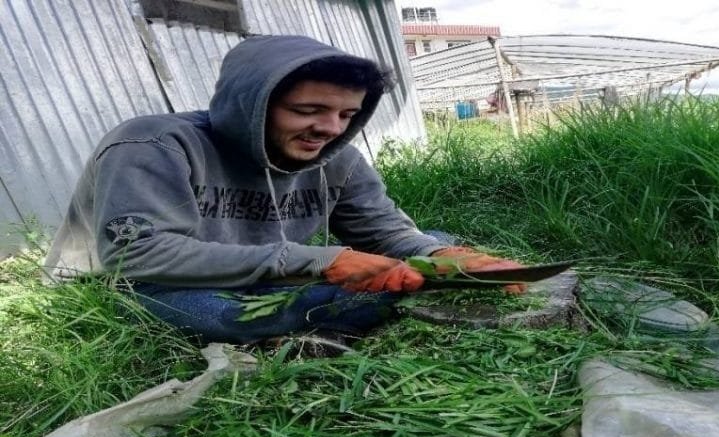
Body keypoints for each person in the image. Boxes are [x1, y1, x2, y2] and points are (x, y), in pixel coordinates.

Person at [43, 35, 525, 345]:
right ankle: (353, 311)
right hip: (144, 283)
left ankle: (371, 301)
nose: (329, 129)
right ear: (251, 105)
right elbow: (139, 256)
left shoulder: (338, 157)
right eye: (307, 110)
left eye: (346, 115)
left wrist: (443, 255)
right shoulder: (153, 144)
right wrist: (323, 261)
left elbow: (382, 229)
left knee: (424, 249)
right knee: (221, 316)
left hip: (264, 273)